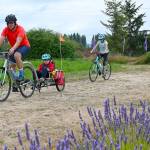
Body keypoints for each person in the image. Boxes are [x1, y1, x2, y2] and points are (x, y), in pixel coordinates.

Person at [0, 14, 30, 82]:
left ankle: (21, 75)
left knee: (16, 55)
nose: (10, 24)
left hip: (24, 46)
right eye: (8, 23)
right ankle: (16, 83)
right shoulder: (6, 29)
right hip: (15, 47)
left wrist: (13, 49)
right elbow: (1, 40)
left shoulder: (20, 29)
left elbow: (18, 41)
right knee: (11, 66)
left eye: (11, 22)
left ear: (15, 22)